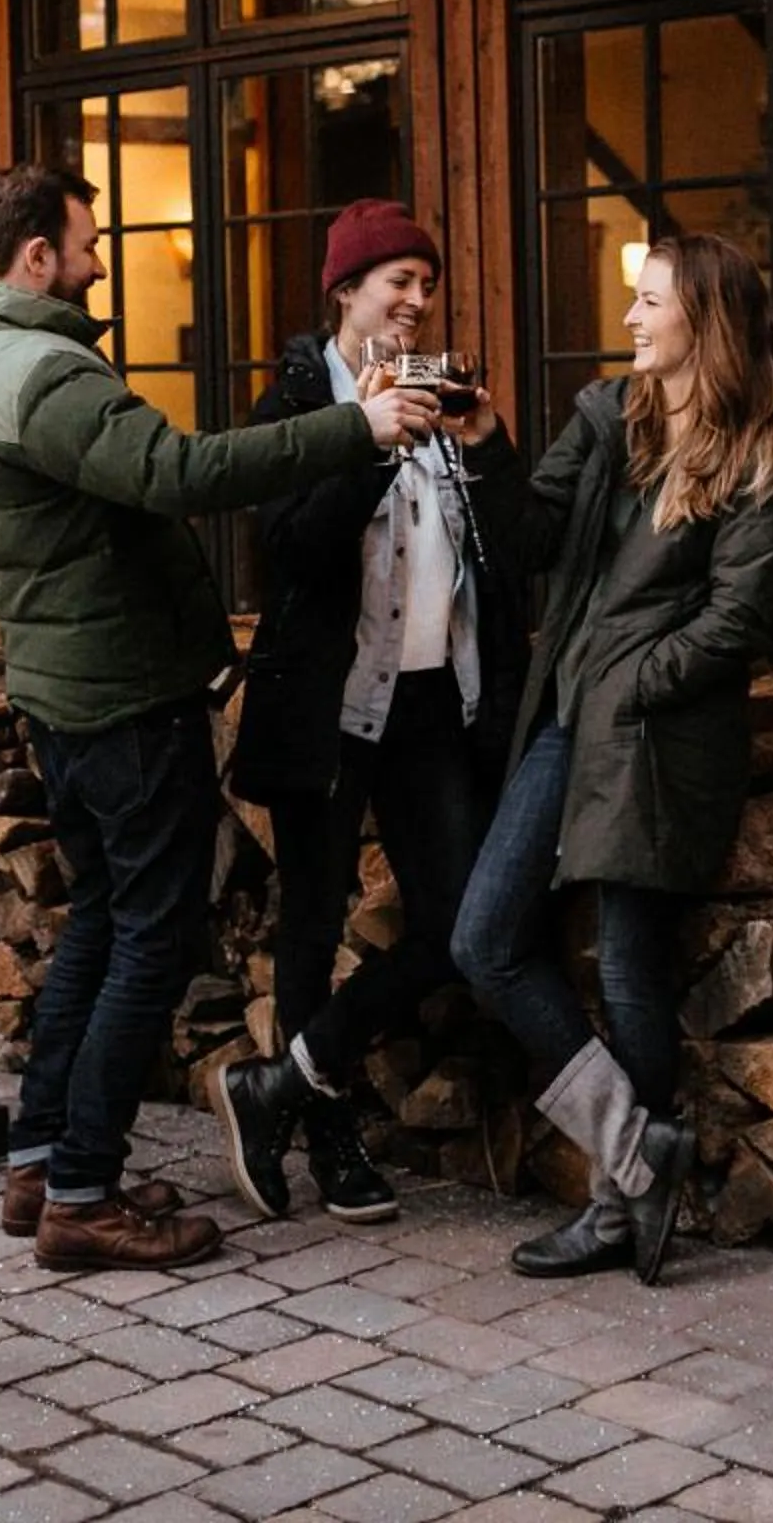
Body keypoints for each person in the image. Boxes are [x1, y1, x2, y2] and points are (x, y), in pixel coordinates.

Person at [0, 163, 442, 1273]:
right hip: (120, 700)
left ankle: (40, 1161)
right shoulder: (46, 374)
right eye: (86, 244)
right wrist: (358, 428)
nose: (99, 262)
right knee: (150, 941)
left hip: (66, 695)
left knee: (100, 923)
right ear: (36, 258)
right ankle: (83, 1193)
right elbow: (182, 471)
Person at [446, 232, 773, 1285]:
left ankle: (616, 1209)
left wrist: (633, 680)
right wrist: (487, 443)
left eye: (651, 301)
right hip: (570, 719)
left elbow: (737, 624)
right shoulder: (611, 417)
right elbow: (530, 541)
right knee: (484, 938)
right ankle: (642, 1158)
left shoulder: (763, 464)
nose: (632, 317)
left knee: (631, 972)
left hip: (657, 738)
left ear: (707, 319)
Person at [214, 201, 528, 1226]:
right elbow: (289, 548)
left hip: (435, 703)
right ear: (345, 290)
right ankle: (329, 1133)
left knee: (458, 922)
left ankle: (282, 1083)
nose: (417, 298)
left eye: (426, 283)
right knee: (310, 922)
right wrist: (371, 439)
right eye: (398, 280)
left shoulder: (440, 397)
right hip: (332, 701)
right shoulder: (296, 404)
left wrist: (481, 443)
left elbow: (511, 548)